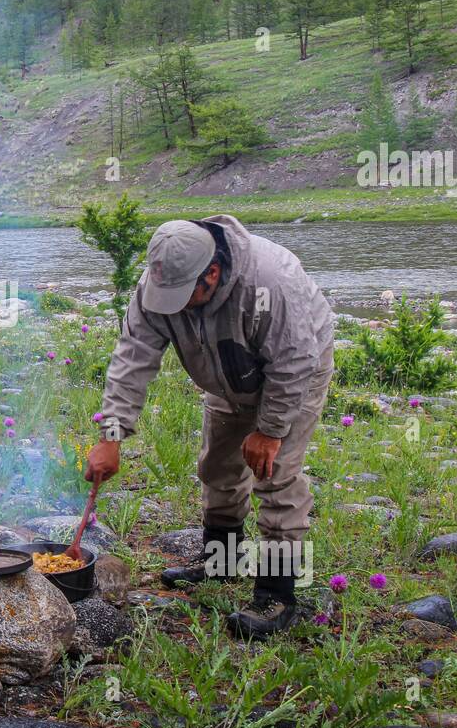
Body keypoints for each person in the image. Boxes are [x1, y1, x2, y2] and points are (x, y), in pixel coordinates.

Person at [84, 217, 334, 639]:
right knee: (217, 467)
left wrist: (271, 431)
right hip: (227, 379)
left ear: (212, 273)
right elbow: (132, 359)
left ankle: (278, 595)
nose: (174, 306)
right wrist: (111, 435)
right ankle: (222, 564)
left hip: (295, 375)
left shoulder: (269, 282)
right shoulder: (158, 286)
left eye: (185, 297)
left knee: (275, 476)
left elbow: (294, 361)